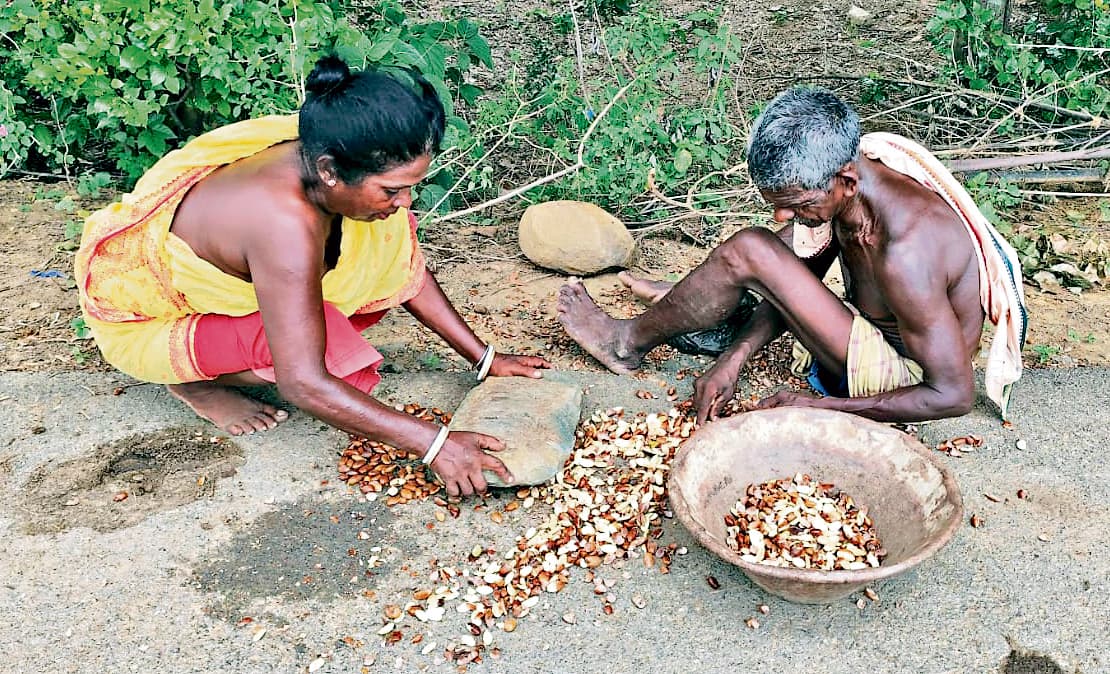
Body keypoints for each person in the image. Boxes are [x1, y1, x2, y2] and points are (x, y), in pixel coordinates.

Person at [75, 56, 550, 497]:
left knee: (369, 296)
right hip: (155, 324)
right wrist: (434, 443)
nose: (405, 202)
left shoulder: (336, 156)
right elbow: (303, 383)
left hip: (251, 292)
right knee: (323, 360)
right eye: (392, 190)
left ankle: (229, 358)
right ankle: (193, 383)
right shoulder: (281, 222)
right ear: (329, 172)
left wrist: (486, 360)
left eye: (410, 188)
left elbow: (403, 270)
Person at [558, 86, 1027, 425]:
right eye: (777, 201)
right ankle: (701, 311)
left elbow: (953, 393)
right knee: (771, 247)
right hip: (872, 324)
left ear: (845, 179)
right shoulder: (855, 188)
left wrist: (820, 407)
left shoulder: (905, 253)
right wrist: (736, 358)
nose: (784, 212)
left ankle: (627, 344)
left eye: (798, 202)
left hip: (904, 374)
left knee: (751, 250)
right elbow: (801, 273)